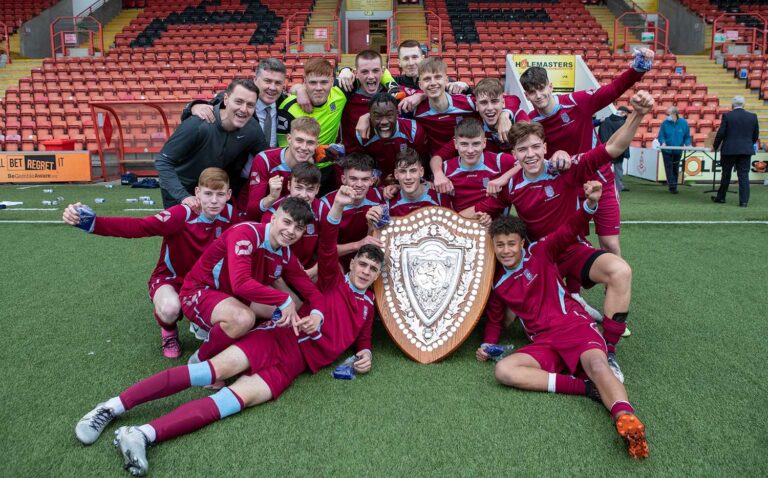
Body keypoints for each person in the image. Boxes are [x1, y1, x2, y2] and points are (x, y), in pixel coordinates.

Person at [73, 186, 384, 478]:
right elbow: (316, 249)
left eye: (372, 269)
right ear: (351, 263)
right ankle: (110, 407)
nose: (365, 271)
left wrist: (360, 347)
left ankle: (141, 434)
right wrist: (286, 300)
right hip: (269, 334)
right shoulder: (329, 276)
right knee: (209, 371)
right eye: (362, 264)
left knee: (232, 402)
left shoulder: (367, 303)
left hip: (294, 365)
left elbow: (358, 332)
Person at [465, 90, 655, 382]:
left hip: (571, 249)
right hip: (540, 260)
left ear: (545, 147)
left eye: (535, 147)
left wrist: (637, 116)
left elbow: (612, 148)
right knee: (508, 319)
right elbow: (480, 209)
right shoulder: (511, 186)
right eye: (522, 149)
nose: (530, 154)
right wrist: (427, 217)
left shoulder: (565, 168)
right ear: (514, 154)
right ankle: (552, 330)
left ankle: (608, 351)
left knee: (620, 271)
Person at [479, 181, 649, 459]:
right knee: (504, 371)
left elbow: (569, 229)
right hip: (544, 343)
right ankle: (586, 389)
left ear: (522, 243)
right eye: (500, 245)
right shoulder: (497, 283)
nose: (506, 250)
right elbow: (496, 322)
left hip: (573, 326)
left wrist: (590, 204)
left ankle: (626, 418)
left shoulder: (541, 253)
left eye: (511, 244)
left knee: (598, 364)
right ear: (493, 247)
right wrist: (487, 344)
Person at [62, 168, 237, 359]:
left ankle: (201, 321)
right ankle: (169, 331)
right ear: (197, 192)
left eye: (220, 194)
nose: (214, 200)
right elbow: (140, 227)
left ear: (228, 195)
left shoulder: (231, 215)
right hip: (171, 279)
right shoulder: (182, 214)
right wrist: (94, 223)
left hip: (204, 284)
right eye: (208, 193)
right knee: (170, 308)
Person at [517, 48, 654, 257]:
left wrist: (638, 69)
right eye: (532, 92)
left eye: (541, 88)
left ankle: (617, 277)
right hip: (567, 187)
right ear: (527, 95)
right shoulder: (531, 121)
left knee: (609, 243)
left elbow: (613, 89)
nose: (538, 95)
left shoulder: (577, 102)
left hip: (600, 178)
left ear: (550, 86)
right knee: (568, 244)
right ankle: (575, 280)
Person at [179, 197, 325, 364]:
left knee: (293, 311)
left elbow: (313, 293)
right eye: (287, 222)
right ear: (273, 218)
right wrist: (283, 299)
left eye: (298, 228)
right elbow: (240, 284)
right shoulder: (247, 233)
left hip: (234, 297)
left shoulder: (286, 254)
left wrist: (317, 315)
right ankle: (199, 360)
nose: (291, 231)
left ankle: (224, 330)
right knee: (244, 318)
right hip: (200, 291)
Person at [155, 79, 268, 208]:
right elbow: (163, 161)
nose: (244, 109)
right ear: (226, 99)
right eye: (238, 102)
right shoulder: (198, 124)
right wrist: (183, 196)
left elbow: (266, 158)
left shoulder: (252, 128)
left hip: (215, 190)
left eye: (250, 105)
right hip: (181, 189)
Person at [183, 58, 292, 149]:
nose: (272, 87)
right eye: (267, 81)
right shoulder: (234, 98)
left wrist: (299, 89)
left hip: (274, 165)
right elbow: (194, 114)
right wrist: (194, 106)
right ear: (255, 80)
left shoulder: (287, 105)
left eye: (278, 83)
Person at [239, 117, 320, 220]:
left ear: (317, 144)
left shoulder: (312, 164)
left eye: (310, 143)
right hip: (249, 218)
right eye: (299, 140)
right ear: (289, 139)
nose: (304, 147)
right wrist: (272, 197)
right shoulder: (265, 160)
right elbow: (251, 211)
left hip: (286, 219)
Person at [319, 153, 384, 266]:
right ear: (343, 179)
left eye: (365, 179)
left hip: (368, 259)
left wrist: (395, 187)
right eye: (353, 179)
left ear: (372, 180)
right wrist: (358, 245)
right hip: (336, 261)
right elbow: (322, 250)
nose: (359, 184)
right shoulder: (326, 204)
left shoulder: (379, 197)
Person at [348, 92, 429, 183]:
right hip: (382, 183)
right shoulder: (363, 134)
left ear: (397, 114)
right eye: (377, 116)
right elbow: (364, 165)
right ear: (370, 116)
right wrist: (380, 180)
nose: (384, 122)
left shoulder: (413, 130)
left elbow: (422, 161)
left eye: (389, 115)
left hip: (410, 180)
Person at [262, 162, 323, 278]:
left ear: (317, 189)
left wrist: (312, 271)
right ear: (289, 185)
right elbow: (265, 258)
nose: (303, 195)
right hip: (277, 273)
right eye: (298, 188)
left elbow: (328, 248)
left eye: (310, 189)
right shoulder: (273, 212)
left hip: (309, 271)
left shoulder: (322, 209)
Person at [441, 118, 516, 212]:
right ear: (456, 144)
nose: (470, 150)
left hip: (498, 219)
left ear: (484, 143)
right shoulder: (445, 169)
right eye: (464, 144)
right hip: (462, 219)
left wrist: (504, 178)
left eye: (476, 144)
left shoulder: (499, 161)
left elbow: (525, 163)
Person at [366, 147, 452, 224]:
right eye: (403, 171)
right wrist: (372, 222)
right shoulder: (388, 203)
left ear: (421, 172)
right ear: (396, 174)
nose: (408, 177)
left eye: (413, 171)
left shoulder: (439, 197)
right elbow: (379, 234)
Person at [712, 96, 760, 207]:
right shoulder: (753, 116)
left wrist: (715, 146)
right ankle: (744, 202)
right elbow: (755, 135)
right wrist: (748, 144)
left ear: (732, 105)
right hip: (745, 150)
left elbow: (721, 133)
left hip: (729, 150)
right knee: (743, 176)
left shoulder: (727, 116)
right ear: (744, 104)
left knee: (726, 174)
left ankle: (721, 198)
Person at [657, 105, 692, 194]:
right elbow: (661, 135)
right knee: (668, 168)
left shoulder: (683, 123)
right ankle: (672, 186)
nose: (667, 116)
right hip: (666, 150)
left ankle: (674, 185)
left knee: (675, 168)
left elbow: (687, 136)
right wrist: (663, 142)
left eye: (668, 114)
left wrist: (688, 144)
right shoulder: (664, 123)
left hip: (678, 150)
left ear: (674, 114)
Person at [599, 106, 631, 192]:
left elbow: (600, 135)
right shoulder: (623, 123)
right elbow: (625, 139)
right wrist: (626, 152)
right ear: (623, 113)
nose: (627, 116)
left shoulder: (605, 121)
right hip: (618, 149)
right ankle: (619, 186)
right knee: (618, 169)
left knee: (605, 168)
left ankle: (604, 185)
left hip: (605, 148)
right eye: (626, 114)